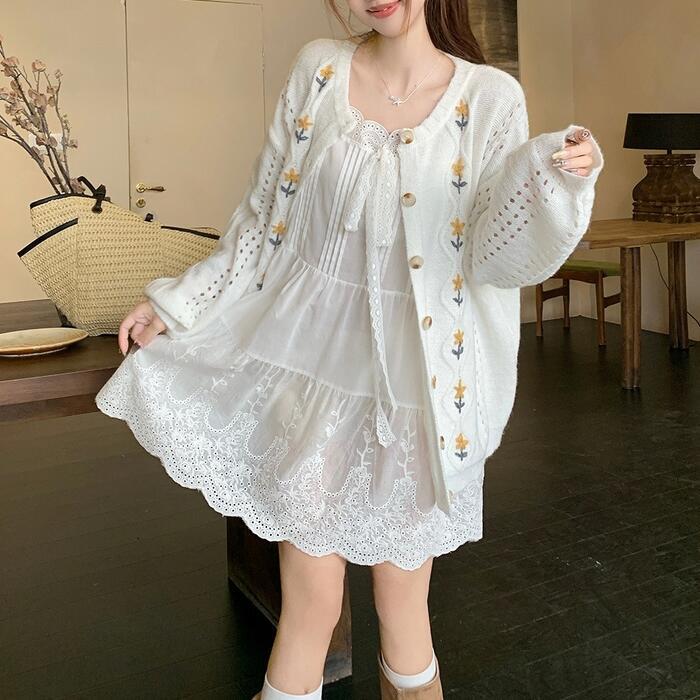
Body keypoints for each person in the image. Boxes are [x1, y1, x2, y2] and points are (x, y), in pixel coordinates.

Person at [95, 1, 604, 698]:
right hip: (308, 375)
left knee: (404, 619)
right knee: (307, 607)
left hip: (418, 393)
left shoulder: (490, 99)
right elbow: (262, 219)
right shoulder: (319, 70)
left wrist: (557, 181)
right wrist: (178, 302)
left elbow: (497, 257)